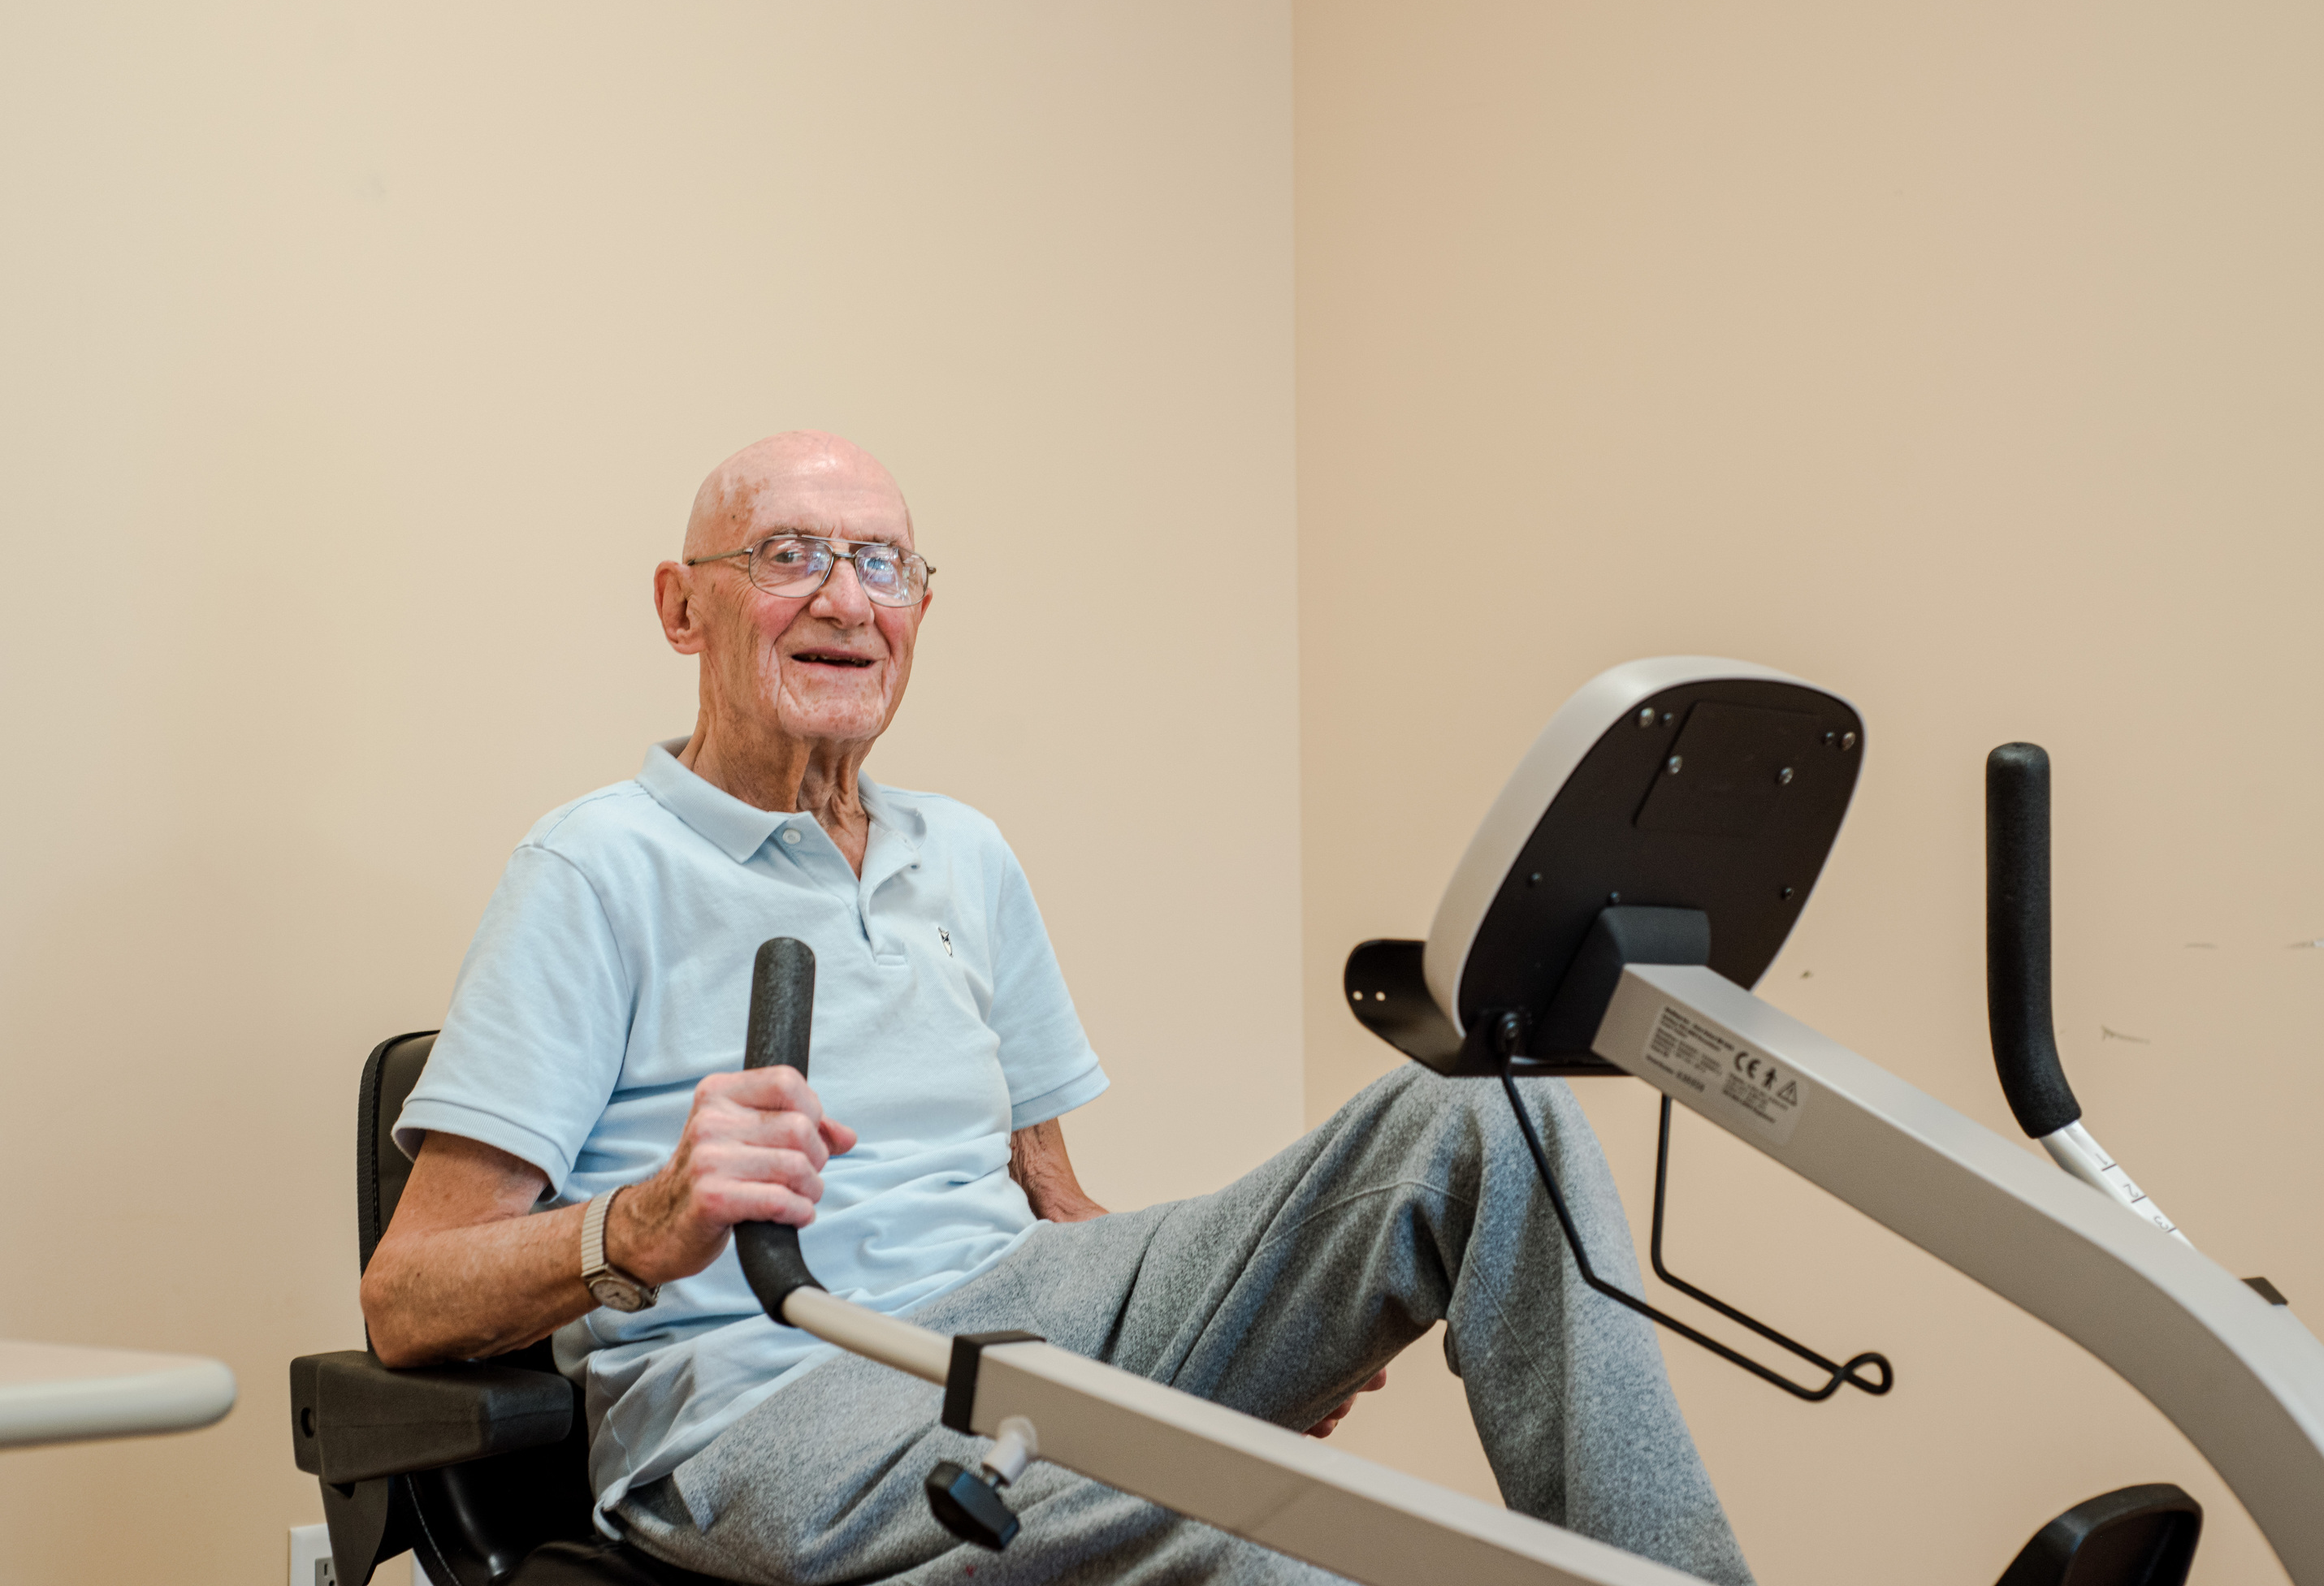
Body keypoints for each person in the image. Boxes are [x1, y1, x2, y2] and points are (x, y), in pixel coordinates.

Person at [360, 431, 1751, 1586]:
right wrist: (641, 1225)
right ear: (683, 607)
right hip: (774, 1406)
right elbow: (408, 1300)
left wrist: (1270, 1309)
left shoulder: (963, 853)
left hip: (1011, 1333)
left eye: (883, 564)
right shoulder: (595, 867)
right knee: (1268, 1555)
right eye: (790, 556)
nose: (845, 599)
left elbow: (1056, 1214)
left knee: (1488, 1117)